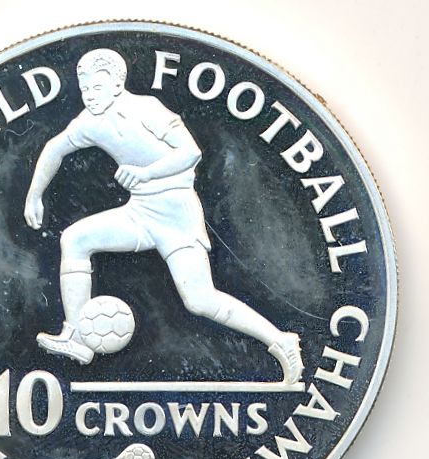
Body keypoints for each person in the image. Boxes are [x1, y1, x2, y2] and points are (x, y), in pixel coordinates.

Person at [24, 48, 304, 383]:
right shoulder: (90, 121)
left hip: (176, 215)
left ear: (117, 84)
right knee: (75, 239)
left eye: (97, 88)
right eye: (85, 90)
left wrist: (146, 174)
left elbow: (190, 152)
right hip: (140, 212)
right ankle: (77, 337)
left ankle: (280, 340)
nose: (90, 96)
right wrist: (34, 195)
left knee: (200, 300)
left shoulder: (147, 109)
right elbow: (54, 148)